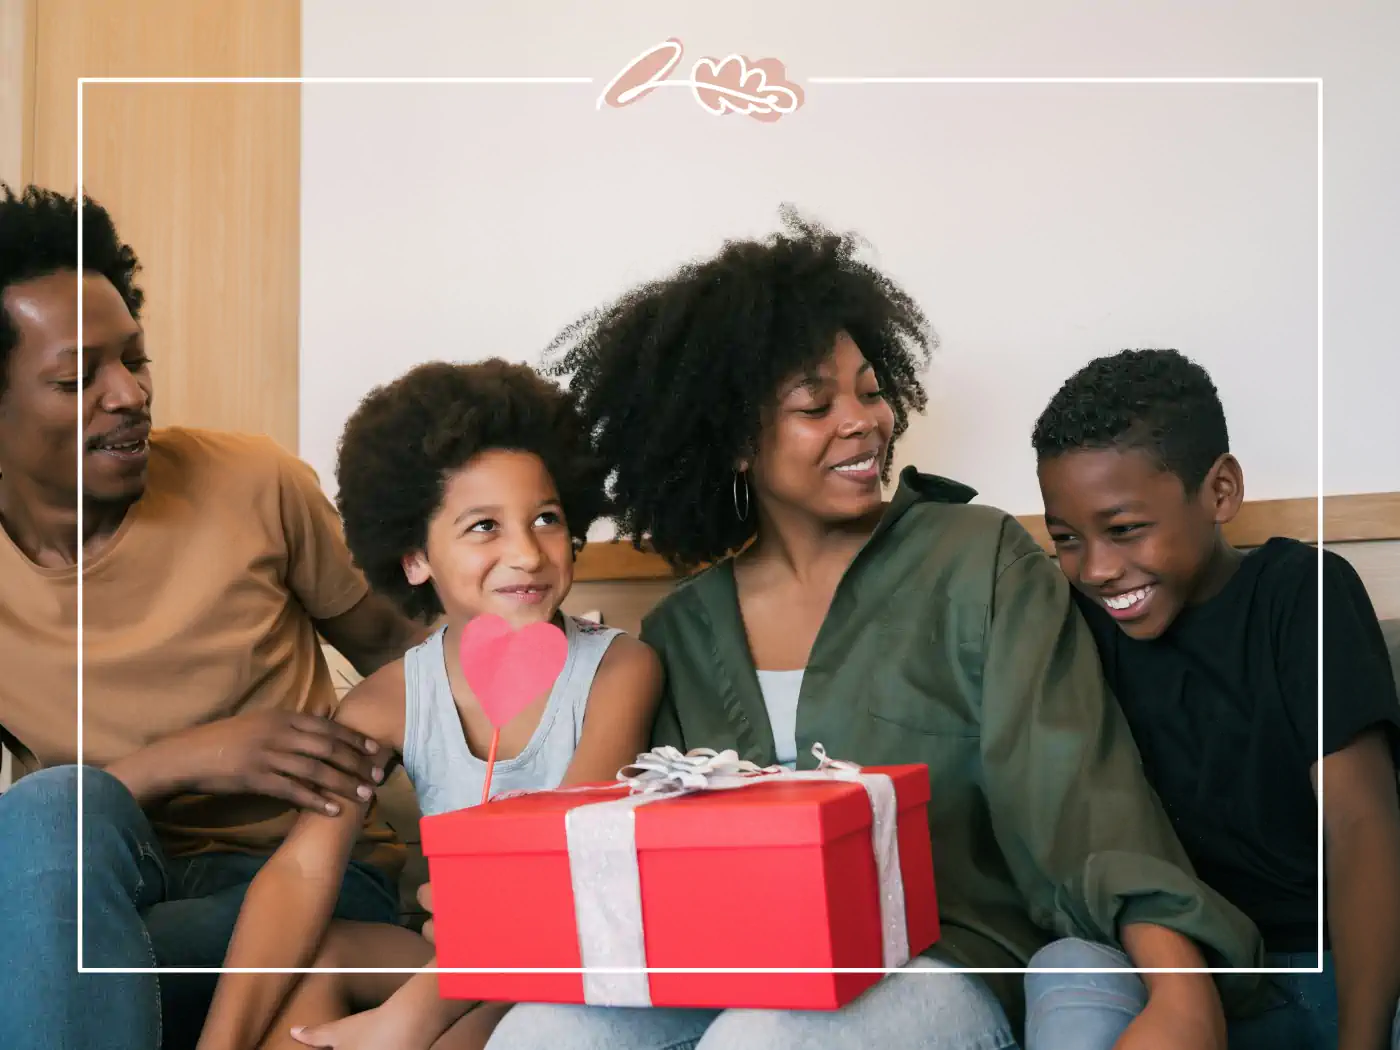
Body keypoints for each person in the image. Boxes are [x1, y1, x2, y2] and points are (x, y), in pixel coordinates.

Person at [479, 209, 1268, 1050]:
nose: (865, 421)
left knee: (762, 1040)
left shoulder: (978, 561)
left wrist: (1184, 997)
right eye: (816, 404)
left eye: (869, 389)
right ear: (735, 440)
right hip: (738, 972)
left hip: (946, 964)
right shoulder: (682, 631)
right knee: (543, 1032)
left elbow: (1080, 800)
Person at [0, 184, 425, 1050]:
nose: (127, 395)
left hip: (307, 876)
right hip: (107, 888)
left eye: (136, 358)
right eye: (77, 378)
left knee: (58, 968)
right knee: (51, 809)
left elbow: (419, 661)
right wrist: (187, 760)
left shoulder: (253, 483)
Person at [196, 360, 664, 1050]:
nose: (527, 554)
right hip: (459, 962)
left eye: (546, 518)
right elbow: (303, 868)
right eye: (484, 527)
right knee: (322, 957)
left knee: (445, 1037)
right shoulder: (388, 701)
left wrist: (403, 1021)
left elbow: (561, 864)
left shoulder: (622, 670)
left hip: (567, 957)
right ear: (416, 556)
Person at [1026, 348, 1400, 1050]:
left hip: (1336, 971)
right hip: (1193, 981)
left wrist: (1363, 1041)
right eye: (1067, 540)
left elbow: (1360, 826)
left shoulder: (1302, 594)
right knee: (1066, 967)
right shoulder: (1075, 630)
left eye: (1125, 529)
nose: (1099, 568)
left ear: (1220, 491)